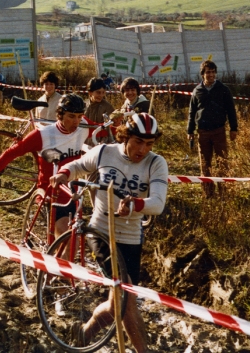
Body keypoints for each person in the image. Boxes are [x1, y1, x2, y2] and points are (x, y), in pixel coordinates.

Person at [50, 113, 168, 353]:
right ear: (125, 136)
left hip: (131, 238)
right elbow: (79, 166)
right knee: (126, 303)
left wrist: (135, 204)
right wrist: (64, 173)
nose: (143, 149)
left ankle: (84, 334)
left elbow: (157, 203)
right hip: (101, 233)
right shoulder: (105, 152)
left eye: (149, 144)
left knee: (118, 303)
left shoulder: (156, 163)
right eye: (137, 142)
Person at [0, 94, 90, 236]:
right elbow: (11, 153)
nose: (76, 121)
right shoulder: (42, 134)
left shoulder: (84, 126)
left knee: (72, 240)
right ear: (60, 115)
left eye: (79, 116)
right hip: (50, 194)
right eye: (71, 116)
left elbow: (106, 129)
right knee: (66, 237)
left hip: (72, 193)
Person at [187, 61, 238, 193]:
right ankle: (208, 193)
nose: (211, 75)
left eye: (213, 72)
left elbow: (231, 110)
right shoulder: (197, 91)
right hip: (203, 133)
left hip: (219, 131)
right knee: (205, 164)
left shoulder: (223, 90)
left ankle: (223, 191)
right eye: (208, 72)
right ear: (202, 74)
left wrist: (234, 128)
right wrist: (190, 130)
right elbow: (192, 112)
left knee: (222, 162)